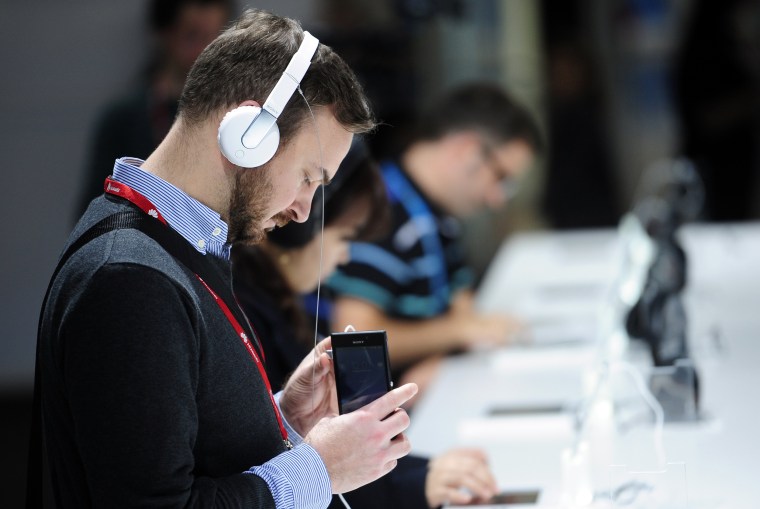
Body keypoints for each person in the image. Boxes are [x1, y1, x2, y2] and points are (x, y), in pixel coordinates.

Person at [36, 9, 419, 508]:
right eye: (308, 176)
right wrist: (317, 471)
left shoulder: (173, 245)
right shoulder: (128, 278)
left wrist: (281, 418)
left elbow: (182, 446)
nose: (304, 212)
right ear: (247, 132)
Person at [232, 138, 499, 508]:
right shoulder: (249, 315)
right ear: (298, 226)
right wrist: (418, 481)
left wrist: (420, 471)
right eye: (344, 238)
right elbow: (279, 466)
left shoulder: (272, 304)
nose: (343, 258)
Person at [327, 82, 542, 392]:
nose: (498, 199)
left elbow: (461, 303)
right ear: (470, 151)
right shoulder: (381, 211)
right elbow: (355, 336)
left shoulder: (436, 213)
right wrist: (458, 333)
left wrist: (446, 349)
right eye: (502, 178)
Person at [77, 0, 235, 217]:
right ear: (166, 35)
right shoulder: (123, 120)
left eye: (215, 38)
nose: (206, 51)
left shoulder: (239, 116)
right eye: (192, 36)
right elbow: (93, 214)